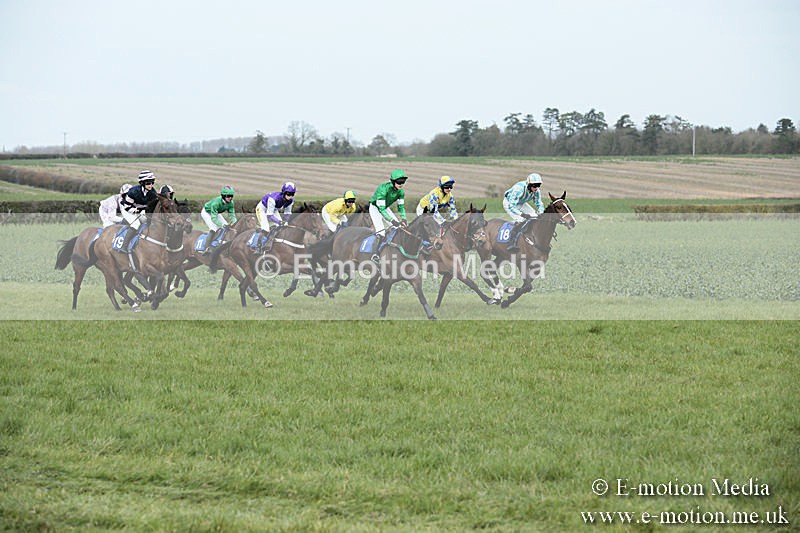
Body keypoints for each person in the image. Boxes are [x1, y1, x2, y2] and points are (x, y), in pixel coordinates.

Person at [368, 169, 408, 262]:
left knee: (398, 228)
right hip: (375, 208)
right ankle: (375, 254)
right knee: (381, 232)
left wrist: (404, 219)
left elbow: (401, 207)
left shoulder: (401, 192)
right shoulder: (383, 188)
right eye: (399, 182)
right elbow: (380, 209)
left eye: (403, 182)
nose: (401, 184)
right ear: (393, 181)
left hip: (385, 207)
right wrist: (391, 220)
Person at [503, 172, 545, 251]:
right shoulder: (519, 189)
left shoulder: (537, 191)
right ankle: (511, 243)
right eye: (534, 185)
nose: (536, 188)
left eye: (538, 185)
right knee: (521, 220)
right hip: (509, 203)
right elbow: (511, 206)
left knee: (535, 216)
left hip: (521, 203)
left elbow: (539, 203)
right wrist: (521, 214)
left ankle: (533, 238)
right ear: (529, 185)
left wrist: (541, 213)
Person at [119, 170, 159, 251]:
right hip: (128, 210)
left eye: (152, 182)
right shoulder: (133, 191)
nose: (150, 185)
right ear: (142, 183)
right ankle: (124, 246)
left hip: (140, 211)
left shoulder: (153, 193)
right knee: (136, 224)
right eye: (148, 183)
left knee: (148, 223)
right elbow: (127, 207)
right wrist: (139, 211)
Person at [255, 182, 296, 249]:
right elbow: (269, 216)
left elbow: (287, 213)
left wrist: (285, 221)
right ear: (284, 192)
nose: (290, 196)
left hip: (273, 210)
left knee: (281, 227)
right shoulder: (273, 199)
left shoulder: (290, 201)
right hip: (262, 209)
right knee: (266, 228)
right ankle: (258, 246)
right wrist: (280, 222)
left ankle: (274, 243)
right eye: (289, 194)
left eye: (292, 194)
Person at [200, 185, 237, 253]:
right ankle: (206, 248)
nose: (230, 198)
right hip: (207, 212)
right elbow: (214, 219)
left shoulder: (231, 203)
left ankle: (221, 243)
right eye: (228, 196)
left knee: (226, 227)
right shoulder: (216, 203)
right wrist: (222, 225)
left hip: (216, 212)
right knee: (214, 228)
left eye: (231, 196)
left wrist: (235, 223)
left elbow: (232, 215)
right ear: (223, 196)